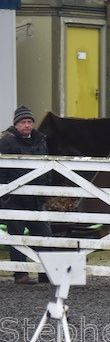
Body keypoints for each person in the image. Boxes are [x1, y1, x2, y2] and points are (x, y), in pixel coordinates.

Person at [1, 105, 53, 284]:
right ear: (16, 124)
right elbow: (2, 171)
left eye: (29, 122)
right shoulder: (6, 142)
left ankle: (45, 273)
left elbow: (48, 167)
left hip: (37, 198)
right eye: (23, 122)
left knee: (44, 236)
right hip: (14, 198)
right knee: (16, 236)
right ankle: (20, 274)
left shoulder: (41, 141)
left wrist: (46, 191)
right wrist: (4, 194)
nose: (27, 125)